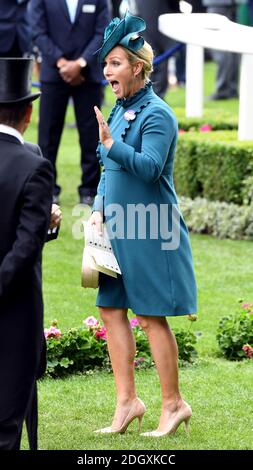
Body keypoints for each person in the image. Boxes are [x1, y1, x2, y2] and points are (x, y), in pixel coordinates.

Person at [89, 12, 197, 437]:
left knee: (152, 316)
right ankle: (127, 401)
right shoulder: (118, 110)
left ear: (137, 66)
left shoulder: (158, 114)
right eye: (105, 65)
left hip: (151, 227)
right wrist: (97, 206)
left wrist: (113, 146)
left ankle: (173, 404)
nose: (108, 72)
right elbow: (106, 168)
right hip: (116, 226)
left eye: (115, 63)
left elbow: (150, 169)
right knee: (110, 308)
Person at [0, 57, 61, 450]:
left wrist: (43, 226)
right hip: (13, 313)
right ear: (28, 112)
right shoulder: (34, 165)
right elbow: (23, 250)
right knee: (6, 424)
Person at [29, 0, 109, 206]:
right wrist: (62, 63)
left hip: (87, 75)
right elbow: (37, 31)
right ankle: (47, 189)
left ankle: (90, 190)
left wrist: (81, 63)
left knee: (91, 134)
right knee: (47, 136)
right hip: (54, 74)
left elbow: (103, 32)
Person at [202, 0, 242, 100]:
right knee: (233, 47)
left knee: (219, 47)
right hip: (232, 3)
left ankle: (223, 90)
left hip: (218, 4)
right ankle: (232, 89)